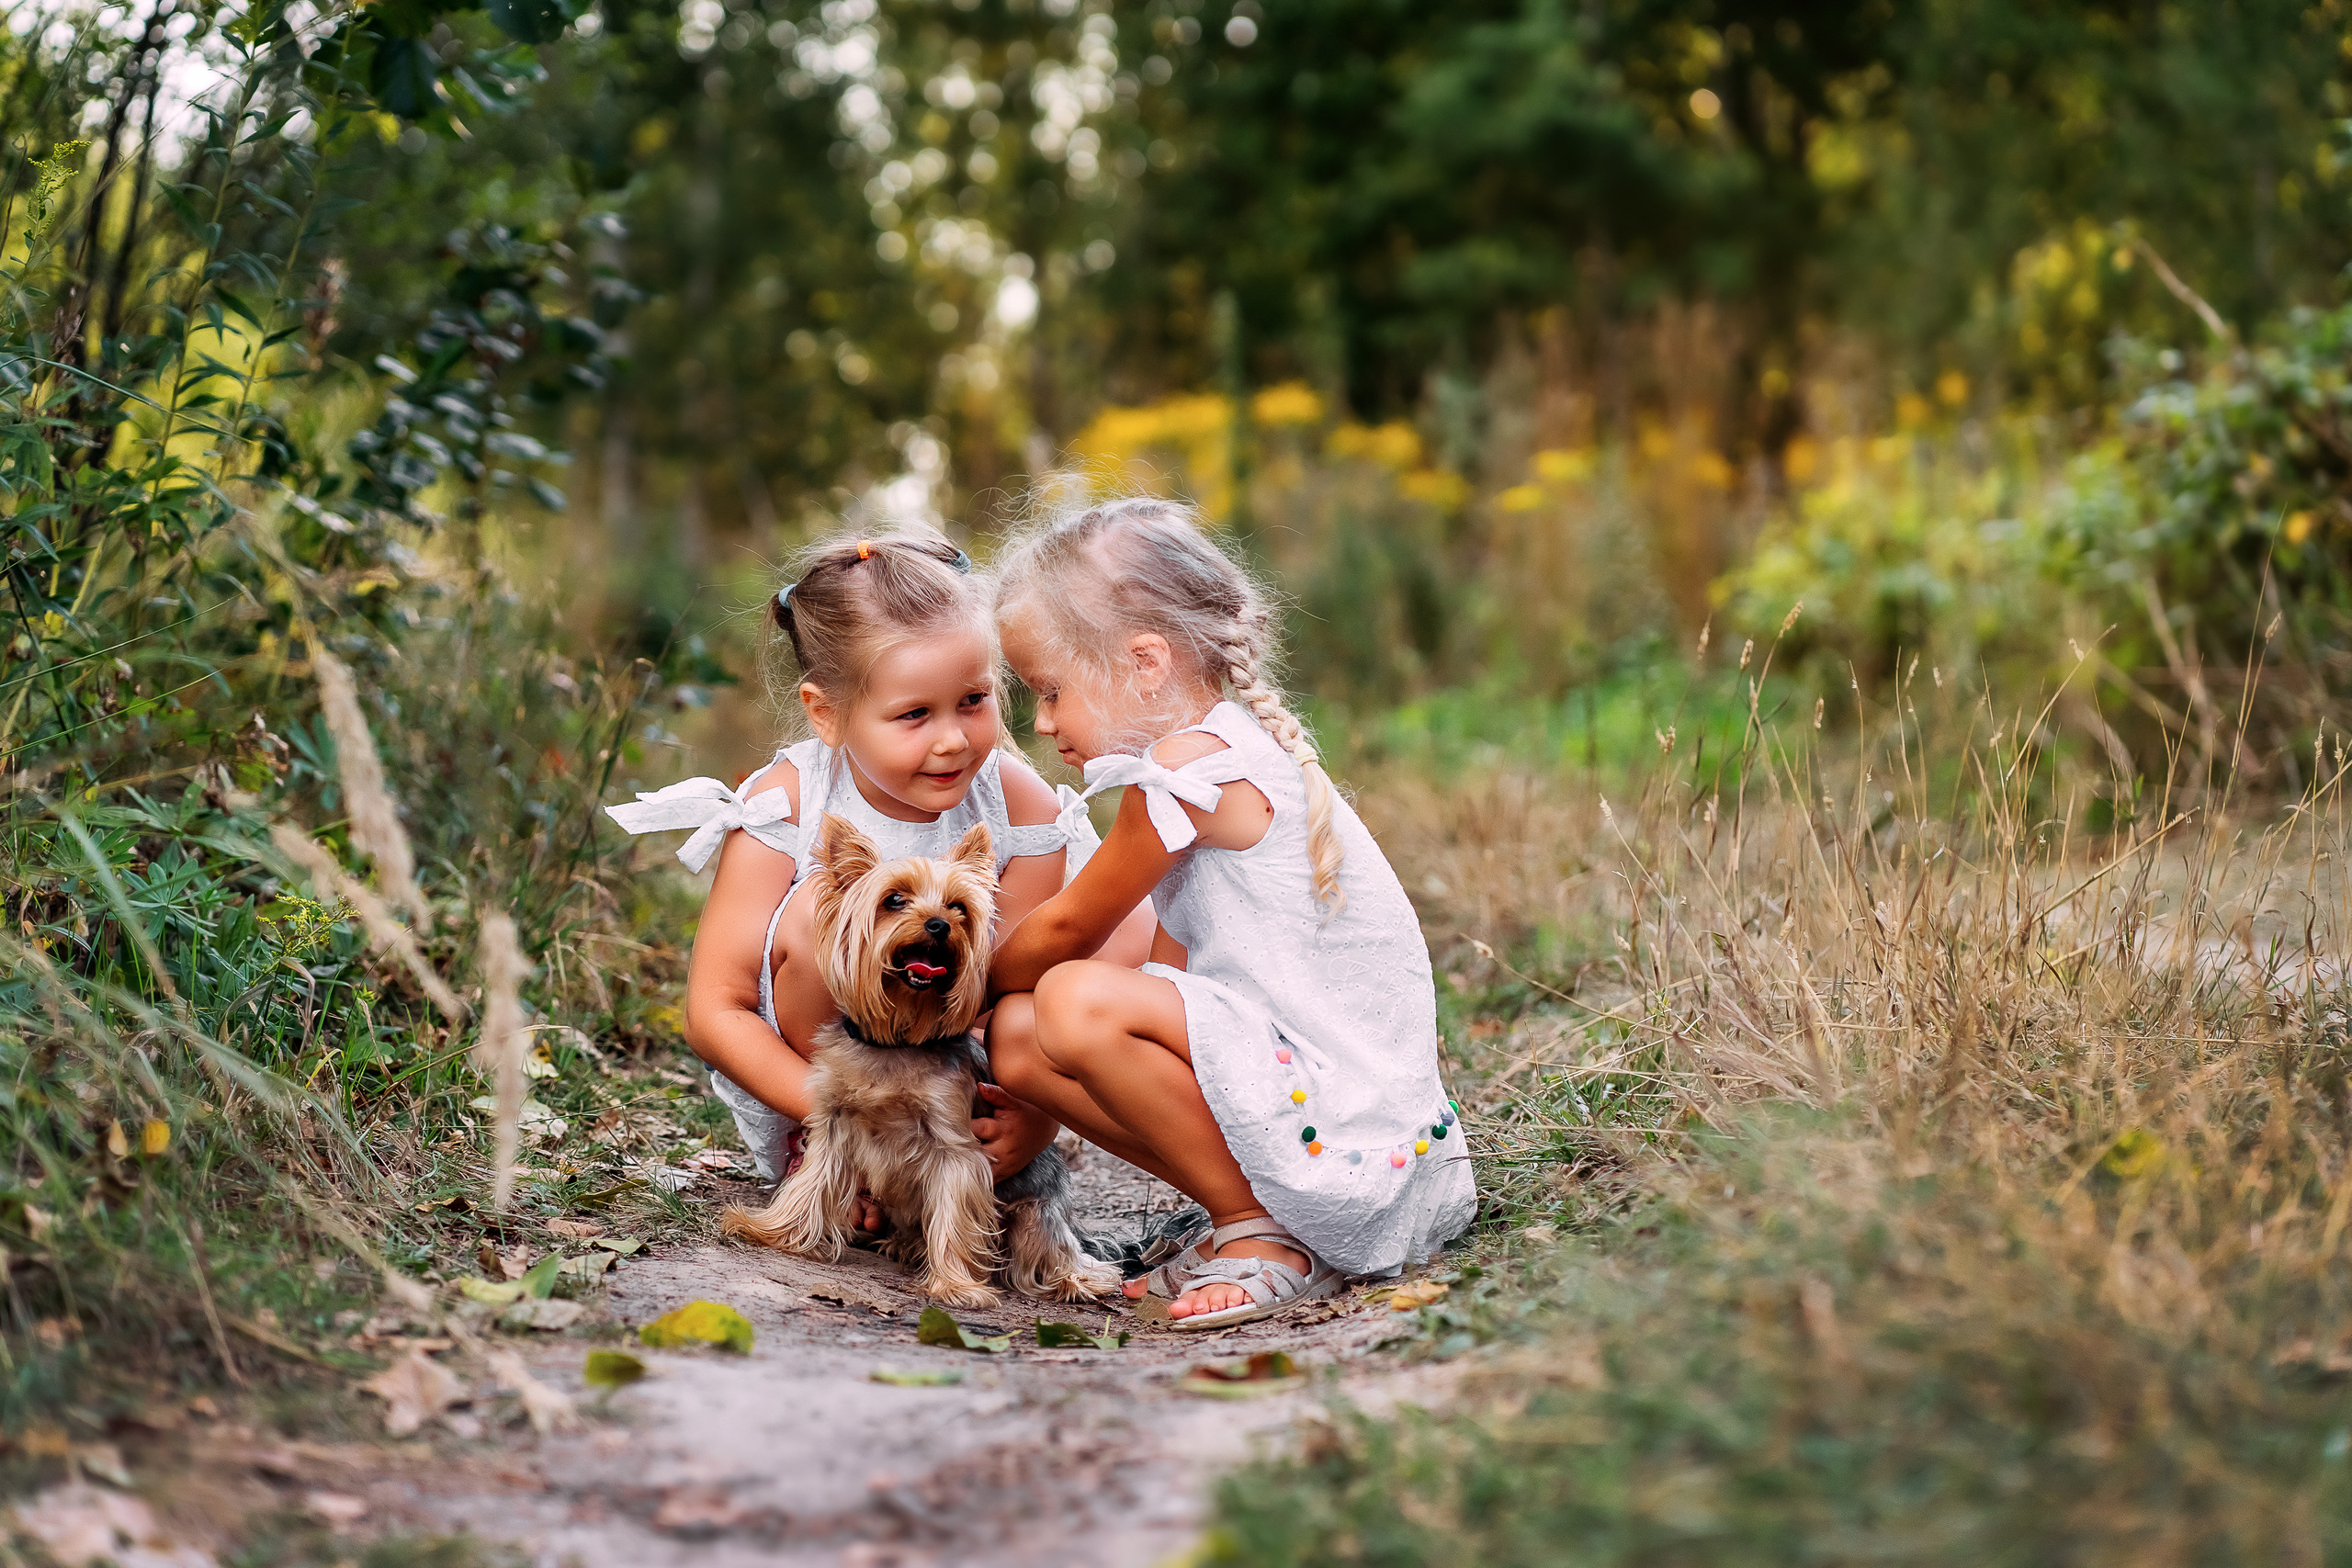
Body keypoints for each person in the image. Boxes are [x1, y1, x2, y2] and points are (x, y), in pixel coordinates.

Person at [985, 494, 1476, 1329]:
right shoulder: (1209, 761)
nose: (1042, 722)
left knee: (1065, 997)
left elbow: (1070, 928)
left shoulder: (1194, 770)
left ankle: (1264, 1237)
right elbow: (1175, 980)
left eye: (1050, 689)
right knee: (1021, 1041)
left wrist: (953, 989)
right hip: (1333, 1132)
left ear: (1145, 664)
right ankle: (1257, 1217)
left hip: (1366, 1158)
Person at [605, 531, 1153, 1204]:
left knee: (1058, 949)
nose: (953, 738)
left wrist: (1039, 1114)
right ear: (828, 714)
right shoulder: (790, 801)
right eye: (915, 714)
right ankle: (839, 1175)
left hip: (951, 1089)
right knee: (822, 909)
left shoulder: (1018, 804)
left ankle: (944, 1183)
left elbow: (1012, 994)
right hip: (818, 1099)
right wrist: (840, 1115)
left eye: (974, 700)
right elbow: (714, 1009)